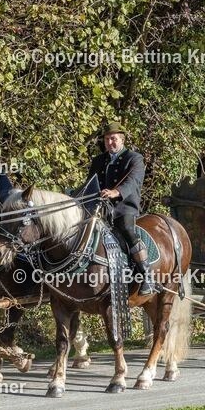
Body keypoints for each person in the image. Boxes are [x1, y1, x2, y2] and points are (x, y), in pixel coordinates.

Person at [87, 120, 157, 295]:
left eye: (114, 139)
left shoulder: (134, 159)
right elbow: (90, 183)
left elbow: (133, 182)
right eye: (107, 140)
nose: (110, 143)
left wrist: (116, 192)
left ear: (122, 139)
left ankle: (146, 275)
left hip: (124, 208)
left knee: (126, 228)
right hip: (99, 207)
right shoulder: (98, 161)